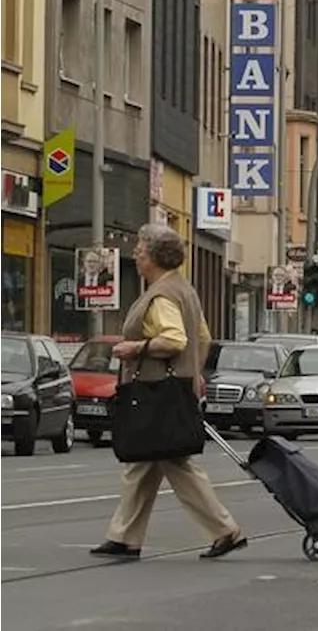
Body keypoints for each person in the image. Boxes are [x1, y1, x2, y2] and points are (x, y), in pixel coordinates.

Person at [90, 224, 247, 560]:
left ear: (156, 257)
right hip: (173, 386)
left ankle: (225, 530)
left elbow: (175, 340)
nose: (136, 255)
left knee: (173, 460)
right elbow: (202, 337)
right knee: (144, 463)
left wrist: (134, 348)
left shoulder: (161, 296)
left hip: (155, 389)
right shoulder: (183, 289)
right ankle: (124, 537)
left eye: (142, 250)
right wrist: (195, 371)